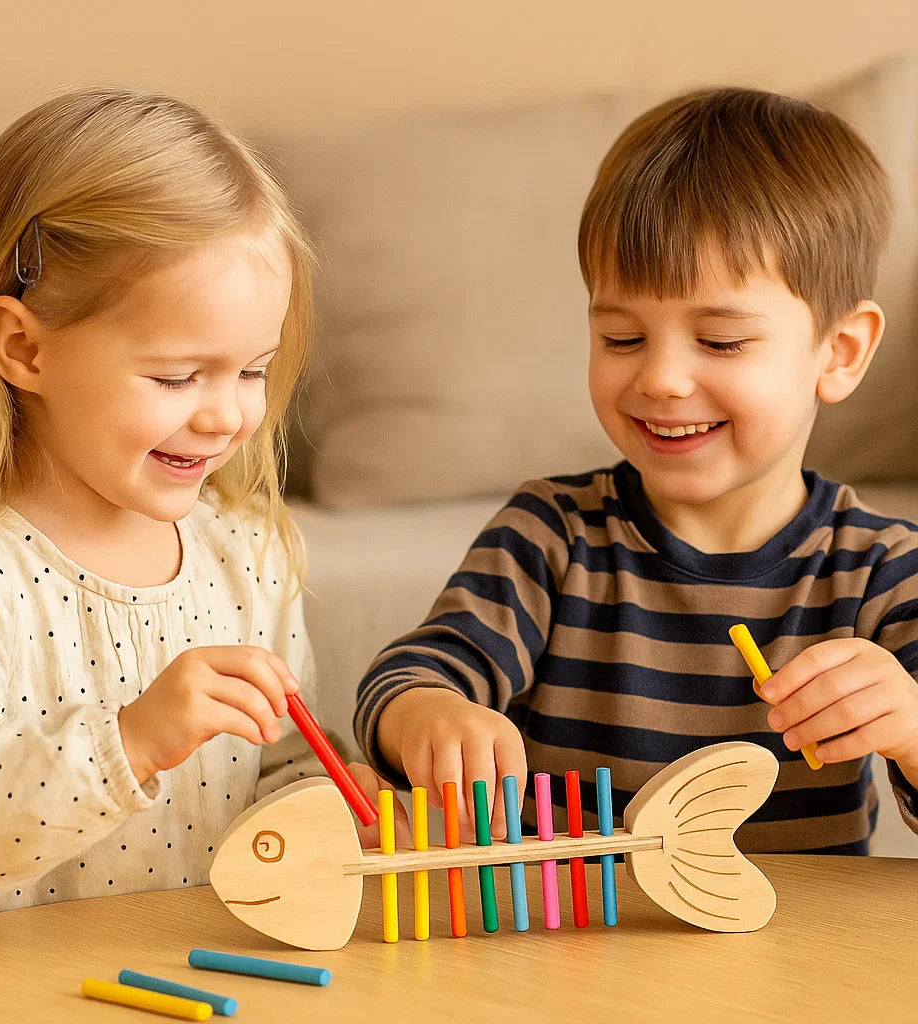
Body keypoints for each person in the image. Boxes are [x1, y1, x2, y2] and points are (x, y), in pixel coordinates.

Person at [354, 88, 918, 853]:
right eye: (622, 338)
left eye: (720, 342)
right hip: (574, 951)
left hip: (796, 963)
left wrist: (911, 730)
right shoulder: (550, 535)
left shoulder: (883, 570)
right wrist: (424, 715)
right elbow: (416, 671)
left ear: (840, 352)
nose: (660, 380)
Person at [0, 87, 392, 936]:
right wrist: (127, 741)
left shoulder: (248, 554)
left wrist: (334, 804)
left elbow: (270, 772)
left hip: (200, 978)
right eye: (176, 377)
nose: (228, 415)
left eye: (252, 370)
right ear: (24, 348)